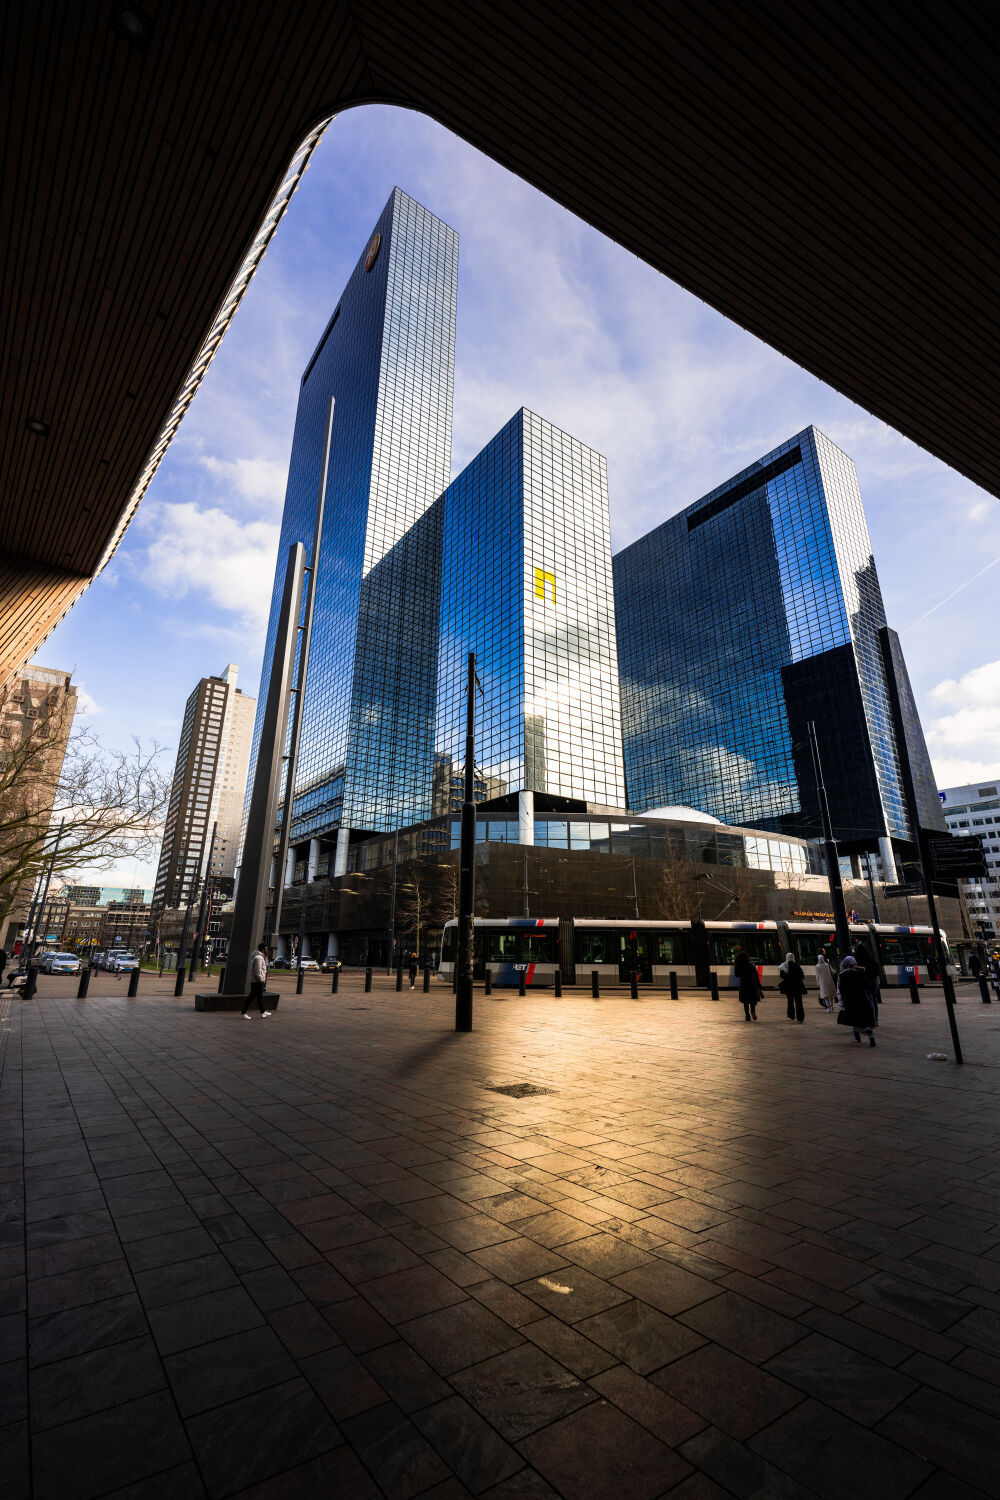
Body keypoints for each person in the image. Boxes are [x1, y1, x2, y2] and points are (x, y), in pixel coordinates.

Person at [836, 953, 876, 1046]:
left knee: (854, 1019)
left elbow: (841, 990)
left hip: (850, 1000)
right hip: (862, 999)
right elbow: (866, 986)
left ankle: (857, 1037)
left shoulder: (842, 975)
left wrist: (841, 1004)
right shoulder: (859, 973)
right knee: (864, 1019)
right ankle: (870, 1034)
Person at [242, 943, 272, 1019]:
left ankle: (263, 1012)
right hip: (257, 981)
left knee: (259, 997)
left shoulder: (261, 957)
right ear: (262, 949)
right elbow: (257, 971)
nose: (267, 950)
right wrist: (261, 979)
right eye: (265, 949)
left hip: (257, 981)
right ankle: (244, 1012)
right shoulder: (259, 958)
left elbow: (263, 967)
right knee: (252, 997)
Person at [734, 949, 762, 1022]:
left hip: (744, 985)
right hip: (752, 985)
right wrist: (759, 986)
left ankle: (747, 1015)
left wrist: (737, 966)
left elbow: (736, 975)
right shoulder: (751, 965)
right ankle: (753, 1011)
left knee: (745, 1002)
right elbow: (756, 976)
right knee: (752, 1000)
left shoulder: (739, 966)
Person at [779, 951, 807, 1022]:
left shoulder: (784, 966)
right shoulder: (797, 966)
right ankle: (800, 1017)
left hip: (788, 987)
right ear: (793, 958)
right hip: (797, 986)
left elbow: (782, 976)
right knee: (799, 1002)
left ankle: (791, 1015)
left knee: (790, 1001)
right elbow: (802, 976)